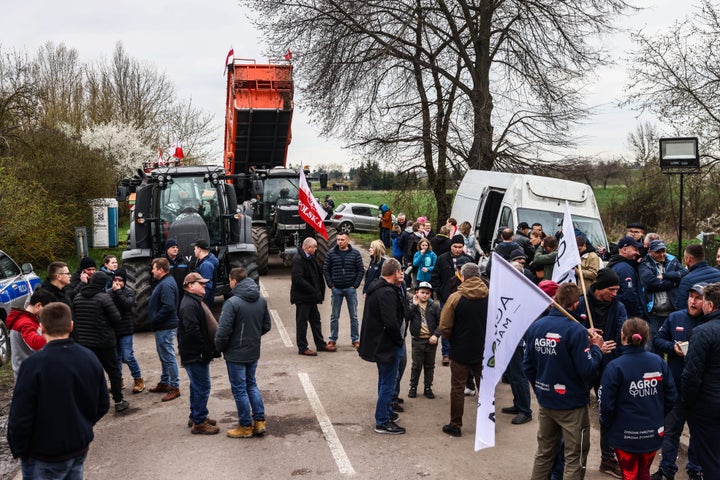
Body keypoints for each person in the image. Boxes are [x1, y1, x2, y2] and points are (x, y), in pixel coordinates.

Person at [7, 302, 109, 479]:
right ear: (71, 326)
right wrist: (82, 425)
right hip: (78, 448)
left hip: (42, 454)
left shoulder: (32, 365)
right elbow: (103, 403)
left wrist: (20, 449)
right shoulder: (88, 357)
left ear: (42, 327)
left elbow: (20, 415)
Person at [523, 283, 605, 480]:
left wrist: (541, 389)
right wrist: (596, 349)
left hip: (546, 401)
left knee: (544, 453)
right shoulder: (575, 330)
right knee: (574, 457)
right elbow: (587, 369)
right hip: (571, 405)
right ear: (576, 304)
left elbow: (528, 366)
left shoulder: (536, 326)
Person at [599, 317, 677, 480]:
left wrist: (607, 426)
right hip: (652, 434)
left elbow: (606, 405)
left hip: (624, 436)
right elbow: (671, 396)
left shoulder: (615, 366)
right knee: (643, 473)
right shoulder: (658, 362)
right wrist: (657, 416)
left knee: (630, 474)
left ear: (623, 336)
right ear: (646, 337)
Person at [652, 283, 706, 480]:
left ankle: (695, 469)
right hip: (676, 386)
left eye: (698, 298)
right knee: (671, 431)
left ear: (706, 301)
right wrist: (671, 348)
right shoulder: (675, 317)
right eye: (691, 296)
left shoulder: (708, 322)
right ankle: (666, 469)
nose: (693, 301)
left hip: (700, 389)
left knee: (698, 432)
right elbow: (658, 339)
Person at [576, 268, 626, 477]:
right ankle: (574, 458)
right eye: (611, 289)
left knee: (608, 413)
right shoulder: (580, 303)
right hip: (585, 365)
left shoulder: (619, 306)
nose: (614, 293)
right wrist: (588, 340)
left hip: (609, 367)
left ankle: (608, 458)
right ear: (599, 287)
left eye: (617, 289)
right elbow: (572, 331)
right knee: (576, 412)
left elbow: (623, 333)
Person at [216, 266, 272, 438]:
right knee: (251, 384)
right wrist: (252, 337)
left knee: (239, 389)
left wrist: (220, 347)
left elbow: (223, 332)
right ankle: (259, 421)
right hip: (253, 351)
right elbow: (266, 326)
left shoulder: (232, 303)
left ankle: (245, 426)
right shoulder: (261, 300)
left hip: (236, 354)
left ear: (234, 281)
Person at [358, 258, 407, 435]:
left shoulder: (378, 287)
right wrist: (398, 340)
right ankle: (382, 421)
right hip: (387, 345)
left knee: (384, 380)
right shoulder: (386, 292)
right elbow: (391, 322)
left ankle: (386, 412)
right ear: (395, 273)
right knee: (388, 382)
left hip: (380, 344)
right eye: (400, 271)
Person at [439, 262, 489, 437]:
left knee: (458, 387)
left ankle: (455, 424)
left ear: (463, 276)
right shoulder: (490, 295)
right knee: (485, 387)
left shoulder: (455, 297)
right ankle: (487, 424)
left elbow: (444, 326)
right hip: (484, 348)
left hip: (460, 348)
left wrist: (452, 339)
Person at [72, 271, 129, 413]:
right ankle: (118, 401)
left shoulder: (78, 298)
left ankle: (94, 401)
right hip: (104, 342)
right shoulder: (104, 298)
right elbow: (116, 318)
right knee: (113, 371)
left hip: (85, 343)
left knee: (91, 373)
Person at [682, 281, 720, 479]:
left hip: (707, 406)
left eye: (703, 300)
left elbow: (692, 374)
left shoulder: (703, 332)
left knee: (710, 459)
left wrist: (688, 402)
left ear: (710, 305)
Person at [178, 272, 220, 435]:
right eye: (200, 283)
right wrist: (204, 351)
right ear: (190, 286)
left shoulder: (193, 301)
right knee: (202, 386)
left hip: (194, 353)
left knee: (197, 386)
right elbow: (192, 332)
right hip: (195, 354)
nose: (204, 285)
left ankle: (196, 415)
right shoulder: (189, 305)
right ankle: (199, 422)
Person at [430, 235, 473, 366]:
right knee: (446, 324)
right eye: (455, 246)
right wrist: (439, 290)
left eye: (460, 247)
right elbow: (435, 276)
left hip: (464, 298)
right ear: (451, 246)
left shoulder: (469, 260)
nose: (457, 249)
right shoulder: (442, 259)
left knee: (461, 325)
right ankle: (446, 353)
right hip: (446, 297)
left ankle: (459, 351)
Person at [291, 237, 335, 356]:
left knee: (316, 321)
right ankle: (302, 347)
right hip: (303, 297)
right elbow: (298, 279)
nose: (316, 249)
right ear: (307, 247)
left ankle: (320, 344)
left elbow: (316, 272)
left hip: (311, 298)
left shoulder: (309, 258)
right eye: (314, 247)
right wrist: (313, 289)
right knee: (302, 323)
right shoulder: (298, 259)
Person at [638, 239, 685, 351]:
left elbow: (684, 274)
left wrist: (665, 275)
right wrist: (673, 282)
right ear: (650, 252)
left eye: (663, 251)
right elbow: (650, 282)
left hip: (672, 311)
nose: (662, 254)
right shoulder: (645, 263)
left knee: (676, 345)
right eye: (658, 252)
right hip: (654, 313)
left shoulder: (672, 260)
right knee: (652, 346)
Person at [147, 257, 181, 402]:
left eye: (153, 268)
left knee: (168, 357)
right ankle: (165, 382)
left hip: (165, 326)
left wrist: (155, 319)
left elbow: (168, 307)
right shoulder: (164, 282)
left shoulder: (166, 284)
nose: (152, 271)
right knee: (163, 356)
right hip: (162, 326)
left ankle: (175, 387)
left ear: (161, 270)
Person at [323, 231, 364, 349]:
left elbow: (361, 270)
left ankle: (355, 339)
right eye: (338, 240)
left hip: (350, 289)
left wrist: (355, 285)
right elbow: (326, 270)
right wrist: (331, 285)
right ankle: (332, 339)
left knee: (354, 315)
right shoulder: (331, 253)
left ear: (348, 240)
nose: (340, 242)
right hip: (337, 289)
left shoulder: (355, 253)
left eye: (342, 239)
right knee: (334, 316)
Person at [110, 267, 145, 394]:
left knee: (128, 356)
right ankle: (118, 381)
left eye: (120, 280)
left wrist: (118, 292)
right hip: (114, 330)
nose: (117, 282)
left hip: (125, 330)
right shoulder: (109, 293)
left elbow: (127, 305)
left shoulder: (129, 292)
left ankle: (138, 379)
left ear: (124, 281)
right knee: (116, 358)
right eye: (115, 280)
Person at [7, 287, 54, 376]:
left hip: (29, 370)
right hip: (27, 373)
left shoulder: (30, 319)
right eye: (47, 309)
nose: (49, 313)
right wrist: (51, 333)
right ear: (38, 306)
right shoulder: (25, 323)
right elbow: (35, 344)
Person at [406, 281, 441, 399]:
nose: (424, 295)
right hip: (417, 340)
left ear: (430, 294)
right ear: (417, 293)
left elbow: (441, 323)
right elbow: (407, 317)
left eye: (427, 293)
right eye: (422, 292)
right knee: (416, 365)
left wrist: (436, 335)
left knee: (429, 365)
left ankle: (428, 387)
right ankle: (413, 386)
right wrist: (414, 305)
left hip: (431, 340)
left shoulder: (435, 306)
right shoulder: (413, 304)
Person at [607, 235, 646, 319]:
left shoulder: (615, 264)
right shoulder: (625, 269)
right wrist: (638, 315)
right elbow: (629, 295)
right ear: (624, 250)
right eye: (635, 249)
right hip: (628, 316)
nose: (638, 253)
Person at [672, 243, 720, 310]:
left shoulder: (687, 280)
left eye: (685, 258)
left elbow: (681, 307)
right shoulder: (718, 273)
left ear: (688, 259)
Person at [192, 239, 219, 308]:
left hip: (204, 302)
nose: (194, 251)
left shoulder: (206, 265)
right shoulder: (204, 261)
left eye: (195, 249)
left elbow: (207, 286)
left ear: (199, 249)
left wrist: (200, 300)